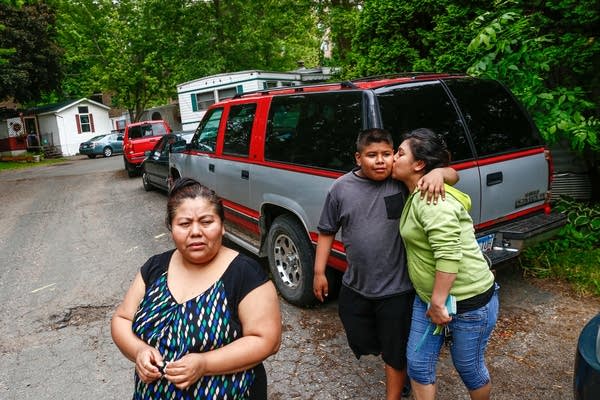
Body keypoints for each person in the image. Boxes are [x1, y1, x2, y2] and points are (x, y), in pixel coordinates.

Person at [313, 128, 458, 400]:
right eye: (371, 155)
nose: (380, 161)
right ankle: (395, 363)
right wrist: (319, 271)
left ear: (394, 157)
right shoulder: (340, 188)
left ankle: (395, 385)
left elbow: (453, 174)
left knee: (395, 347)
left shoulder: (399, 181)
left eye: (387, 154)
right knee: (361, 337)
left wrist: (439, 173)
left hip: (396, 289)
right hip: (356, 285)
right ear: (358, 158)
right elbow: (327, 230)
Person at [111, 178, 281, 399]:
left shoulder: (244, 273)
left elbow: (267, 340)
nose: (195, 232)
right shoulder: (155, 267)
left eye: (206, 221)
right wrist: (139, 351)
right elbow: (122, 319)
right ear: (171, 228)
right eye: (184, 224)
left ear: (222, 226)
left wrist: (204, 364)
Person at [391, 128, 498, 400]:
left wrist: (438, 302)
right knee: (417, 363)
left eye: (399, 153)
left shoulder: (431, 200)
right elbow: (452, 173)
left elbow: (448, 254)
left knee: (468, 367)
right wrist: (441, 172)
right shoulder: (420, 189)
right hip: (429, 298)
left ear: (419, 164)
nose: (392, 158)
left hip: (469, 301)